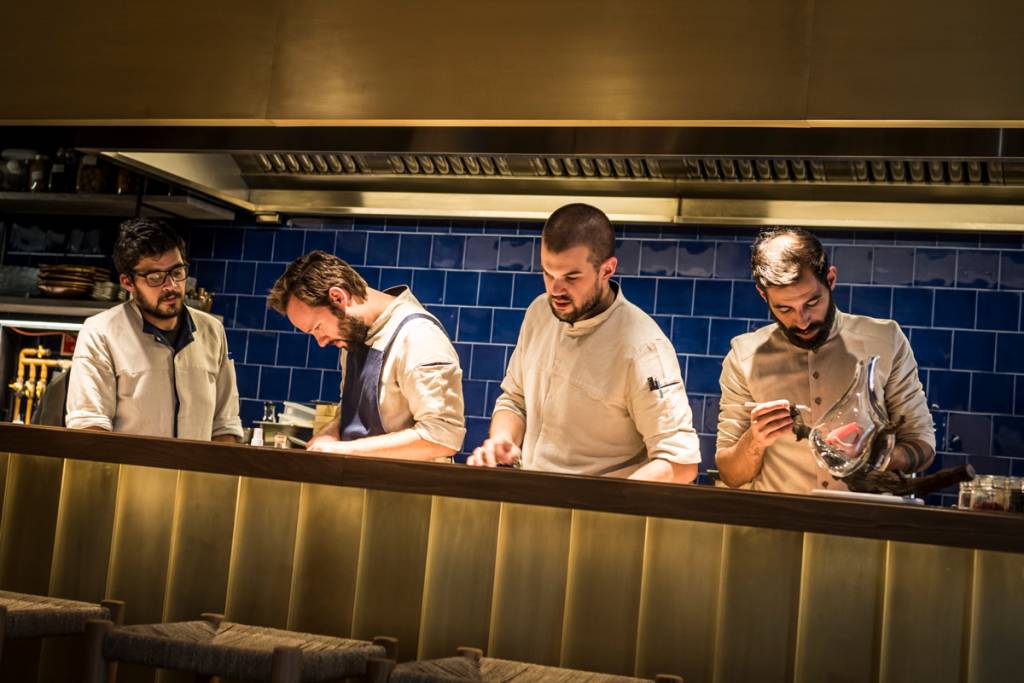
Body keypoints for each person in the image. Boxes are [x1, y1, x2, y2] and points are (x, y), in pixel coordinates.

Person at [468, 203, 701, 483]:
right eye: (547, 273)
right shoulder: (539, 313)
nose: (555, 290)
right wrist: (502, 439)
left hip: (600, 517)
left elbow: (679, 463)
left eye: (571, 277)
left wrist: (610, 504)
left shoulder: (643, 348)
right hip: (531, 501)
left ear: (607, 269)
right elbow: (514, 400)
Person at [715, 226, 935, 494]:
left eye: (812, 302)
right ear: (764, 295)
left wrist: (875, 457)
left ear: (830, 279)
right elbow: (729, 474)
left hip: (862, 525)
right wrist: (755, 440)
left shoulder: (886, 341)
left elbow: (922, 445)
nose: (802, 320)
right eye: (784, 308)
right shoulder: (744, 356)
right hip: (775, 524)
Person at [267, 250, 465, 460]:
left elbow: (442, 437)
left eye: (318, 327)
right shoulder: (354, 336)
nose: (321, 342)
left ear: (338, 297)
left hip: (409, 489)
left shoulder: (418, 336)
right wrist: (332, 432)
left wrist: (344, 449)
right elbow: (357, 414)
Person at [66, 218, 242, 441]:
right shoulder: (101, 333)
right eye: (155, 278)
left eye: (177, 272)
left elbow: (225, 424)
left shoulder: (212, 330)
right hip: (128, 475)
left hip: (195, 475)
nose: (171, 286)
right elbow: (89, 426)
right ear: (128, 282)